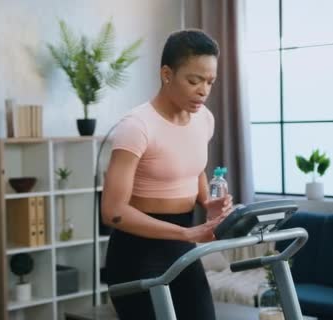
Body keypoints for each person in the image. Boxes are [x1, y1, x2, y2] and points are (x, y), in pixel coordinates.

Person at [101, 29, 233, 320]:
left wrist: (206, 202)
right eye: (194, 80)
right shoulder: (136, 127)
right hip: (137, 254)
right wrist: (186, 233)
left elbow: (194, 167)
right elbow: (112, 211)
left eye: (210, 81)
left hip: (182, 250)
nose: (204, 91)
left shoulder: (204, 119)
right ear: (166, 74)